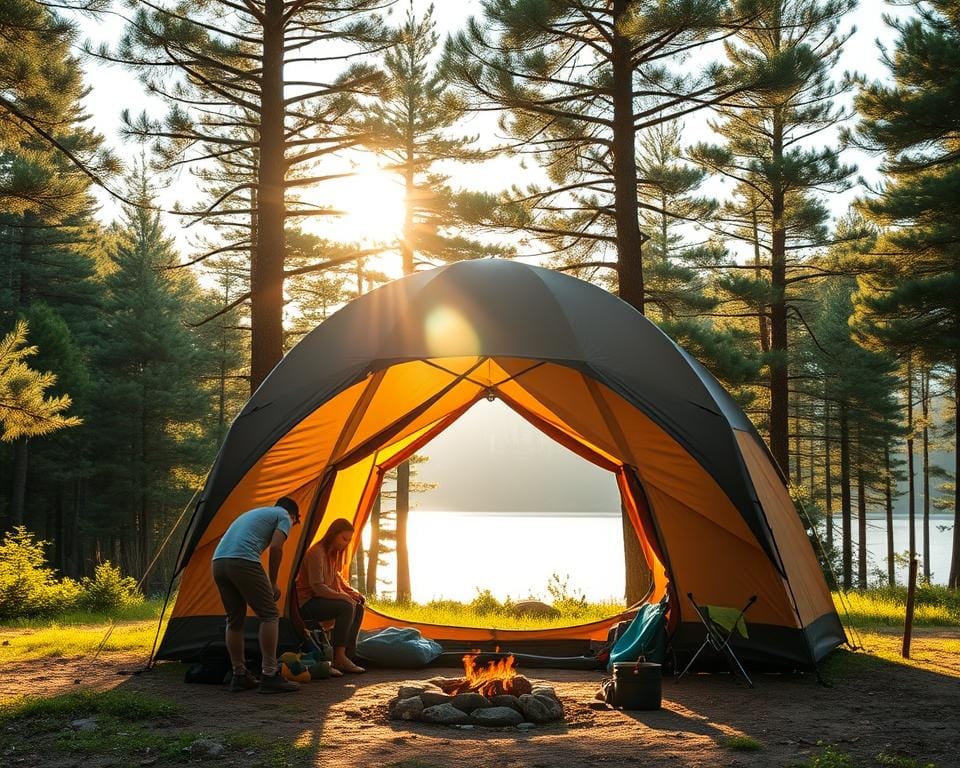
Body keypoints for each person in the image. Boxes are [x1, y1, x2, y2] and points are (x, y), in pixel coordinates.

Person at [211, 496, 301, 693]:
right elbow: (277, 546)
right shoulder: (284, 515)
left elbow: (226, 538)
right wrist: (273, 582)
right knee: (269, 614)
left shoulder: (254, 513)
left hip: (218, 562)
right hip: (243, 560)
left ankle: (239, 674)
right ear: (294, 516)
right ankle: (270, 675)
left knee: (234, 620)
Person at [296, 518, 366, 673]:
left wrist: (351, 592)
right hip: (307, 602)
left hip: (321, 599)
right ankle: (339, 657)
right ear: (333, 535)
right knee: (346, 606)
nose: (346, 543)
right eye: (344, 538)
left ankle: (348, 655)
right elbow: (318, 587)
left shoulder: (332, 554)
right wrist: (343, 597)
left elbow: (336, 577)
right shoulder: (317, 553)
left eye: (349, 540)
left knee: (358, 604)